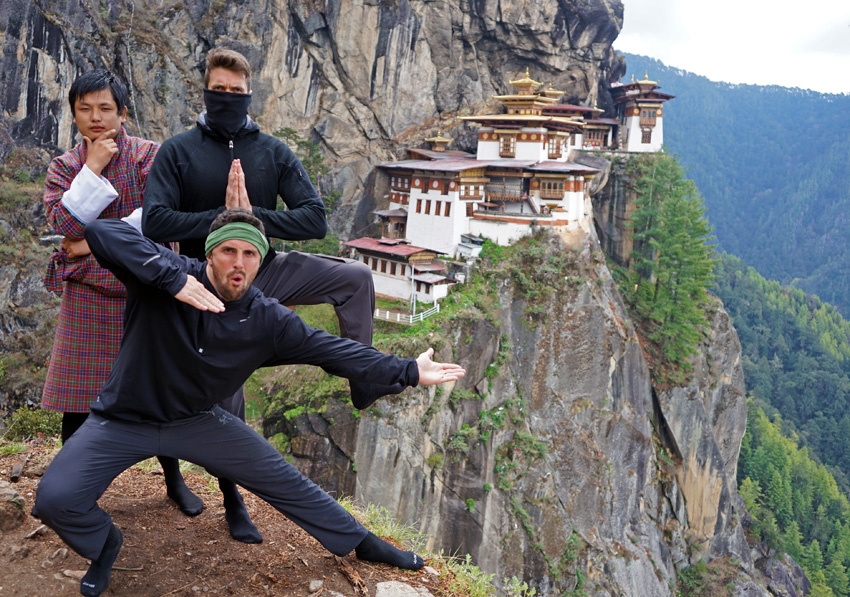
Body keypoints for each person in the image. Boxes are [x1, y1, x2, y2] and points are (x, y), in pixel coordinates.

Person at [33, 209, 465, 597]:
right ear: (209, 254)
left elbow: (336, 351)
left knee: (285, 480)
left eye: (250, 254)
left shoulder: (268, 319)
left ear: (261, 262)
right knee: (54, 499)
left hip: (195, 422)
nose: (238, 263)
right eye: (227, 251)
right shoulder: (166, 278)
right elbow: (100, 230)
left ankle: (362, 543)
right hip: (123, 419)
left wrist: (409, 370)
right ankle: (104, 543)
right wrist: (173, 280)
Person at [142, 47, 399, 542]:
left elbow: (313, 217)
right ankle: (232, 498)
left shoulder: (272, 151)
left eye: (237, 93)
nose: (228, 100)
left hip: (266, 266)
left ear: (249, 95)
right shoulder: (178, 150)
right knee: (224, 390)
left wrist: (254, 217)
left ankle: (363, 379)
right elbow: (156, 221)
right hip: (203, 277)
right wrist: (222, 217)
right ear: (205, 92)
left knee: (356, 278)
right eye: (219, 91)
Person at [41, 70, 202, 514]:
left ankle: (173, 480)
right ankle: (72, 487)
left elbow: (155, 224)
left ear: (123, 111)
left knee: (157, 394)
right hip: (90, 301)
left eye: (105, 108)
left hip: (146, 291)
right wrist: (92, 168)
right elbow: (65, 226)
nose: (95, 117)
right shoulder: (65, 166)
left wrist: (83, 246)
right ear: (73, 114)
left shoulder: (150, 157)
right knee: (78, 402)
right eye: (84, 108)